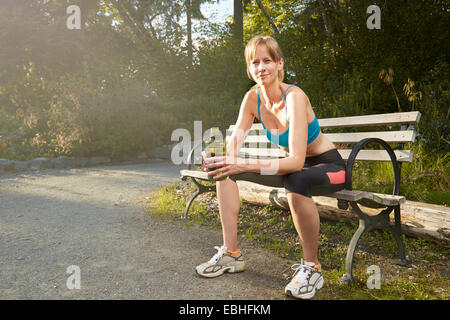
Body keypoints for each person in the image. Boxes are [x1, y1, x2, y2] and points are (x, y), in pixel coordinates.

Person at [196, 35, 346, 299]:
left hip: (329, 167)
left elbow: (296, 162)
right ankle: (231, 254)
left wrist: (241, 161)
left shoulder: (294, 97)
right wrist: (222, 159)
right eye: (255, 62)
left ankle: (312, 268)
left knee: (296, 179)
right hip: (294, 169)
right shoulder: (251, 99)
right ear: (249, 68)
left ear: (279, 64)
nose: (261, 67)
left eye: (267, 60)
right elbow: (235, 142)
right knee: (225, 171)